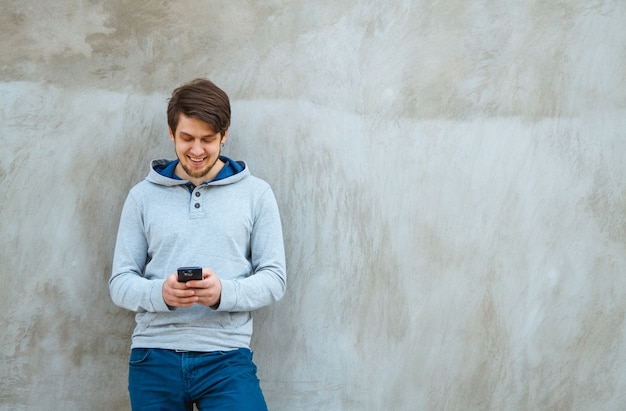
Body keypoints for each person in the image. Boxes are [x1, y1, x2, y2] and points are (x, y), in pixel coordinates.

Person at [110, 78, 286, 411]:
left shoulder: (256, 194)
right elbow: (120, 283)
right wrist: (161, 293)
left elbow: (275, 279)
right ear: (171, 132)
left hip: (227, 358)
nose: (196, 150)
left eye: (207, 139)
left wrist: (224, 294)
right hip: (154, 355)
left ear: (225, 134)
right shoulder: (142, 197)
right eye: (187, 138)